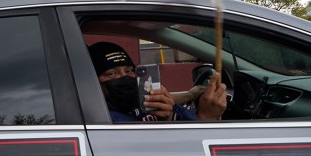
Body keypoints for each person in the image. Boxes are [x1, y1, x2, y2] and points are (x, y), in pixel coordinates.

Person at [88, 41, 227, 122]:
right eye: (112, 74)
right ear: (93, 81)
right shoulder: (104, 120)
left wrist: (171, 115)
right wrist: (207, 118)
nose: (124, 78)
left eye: (129, 70)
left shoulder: (146, 101)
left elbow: (182, 114)